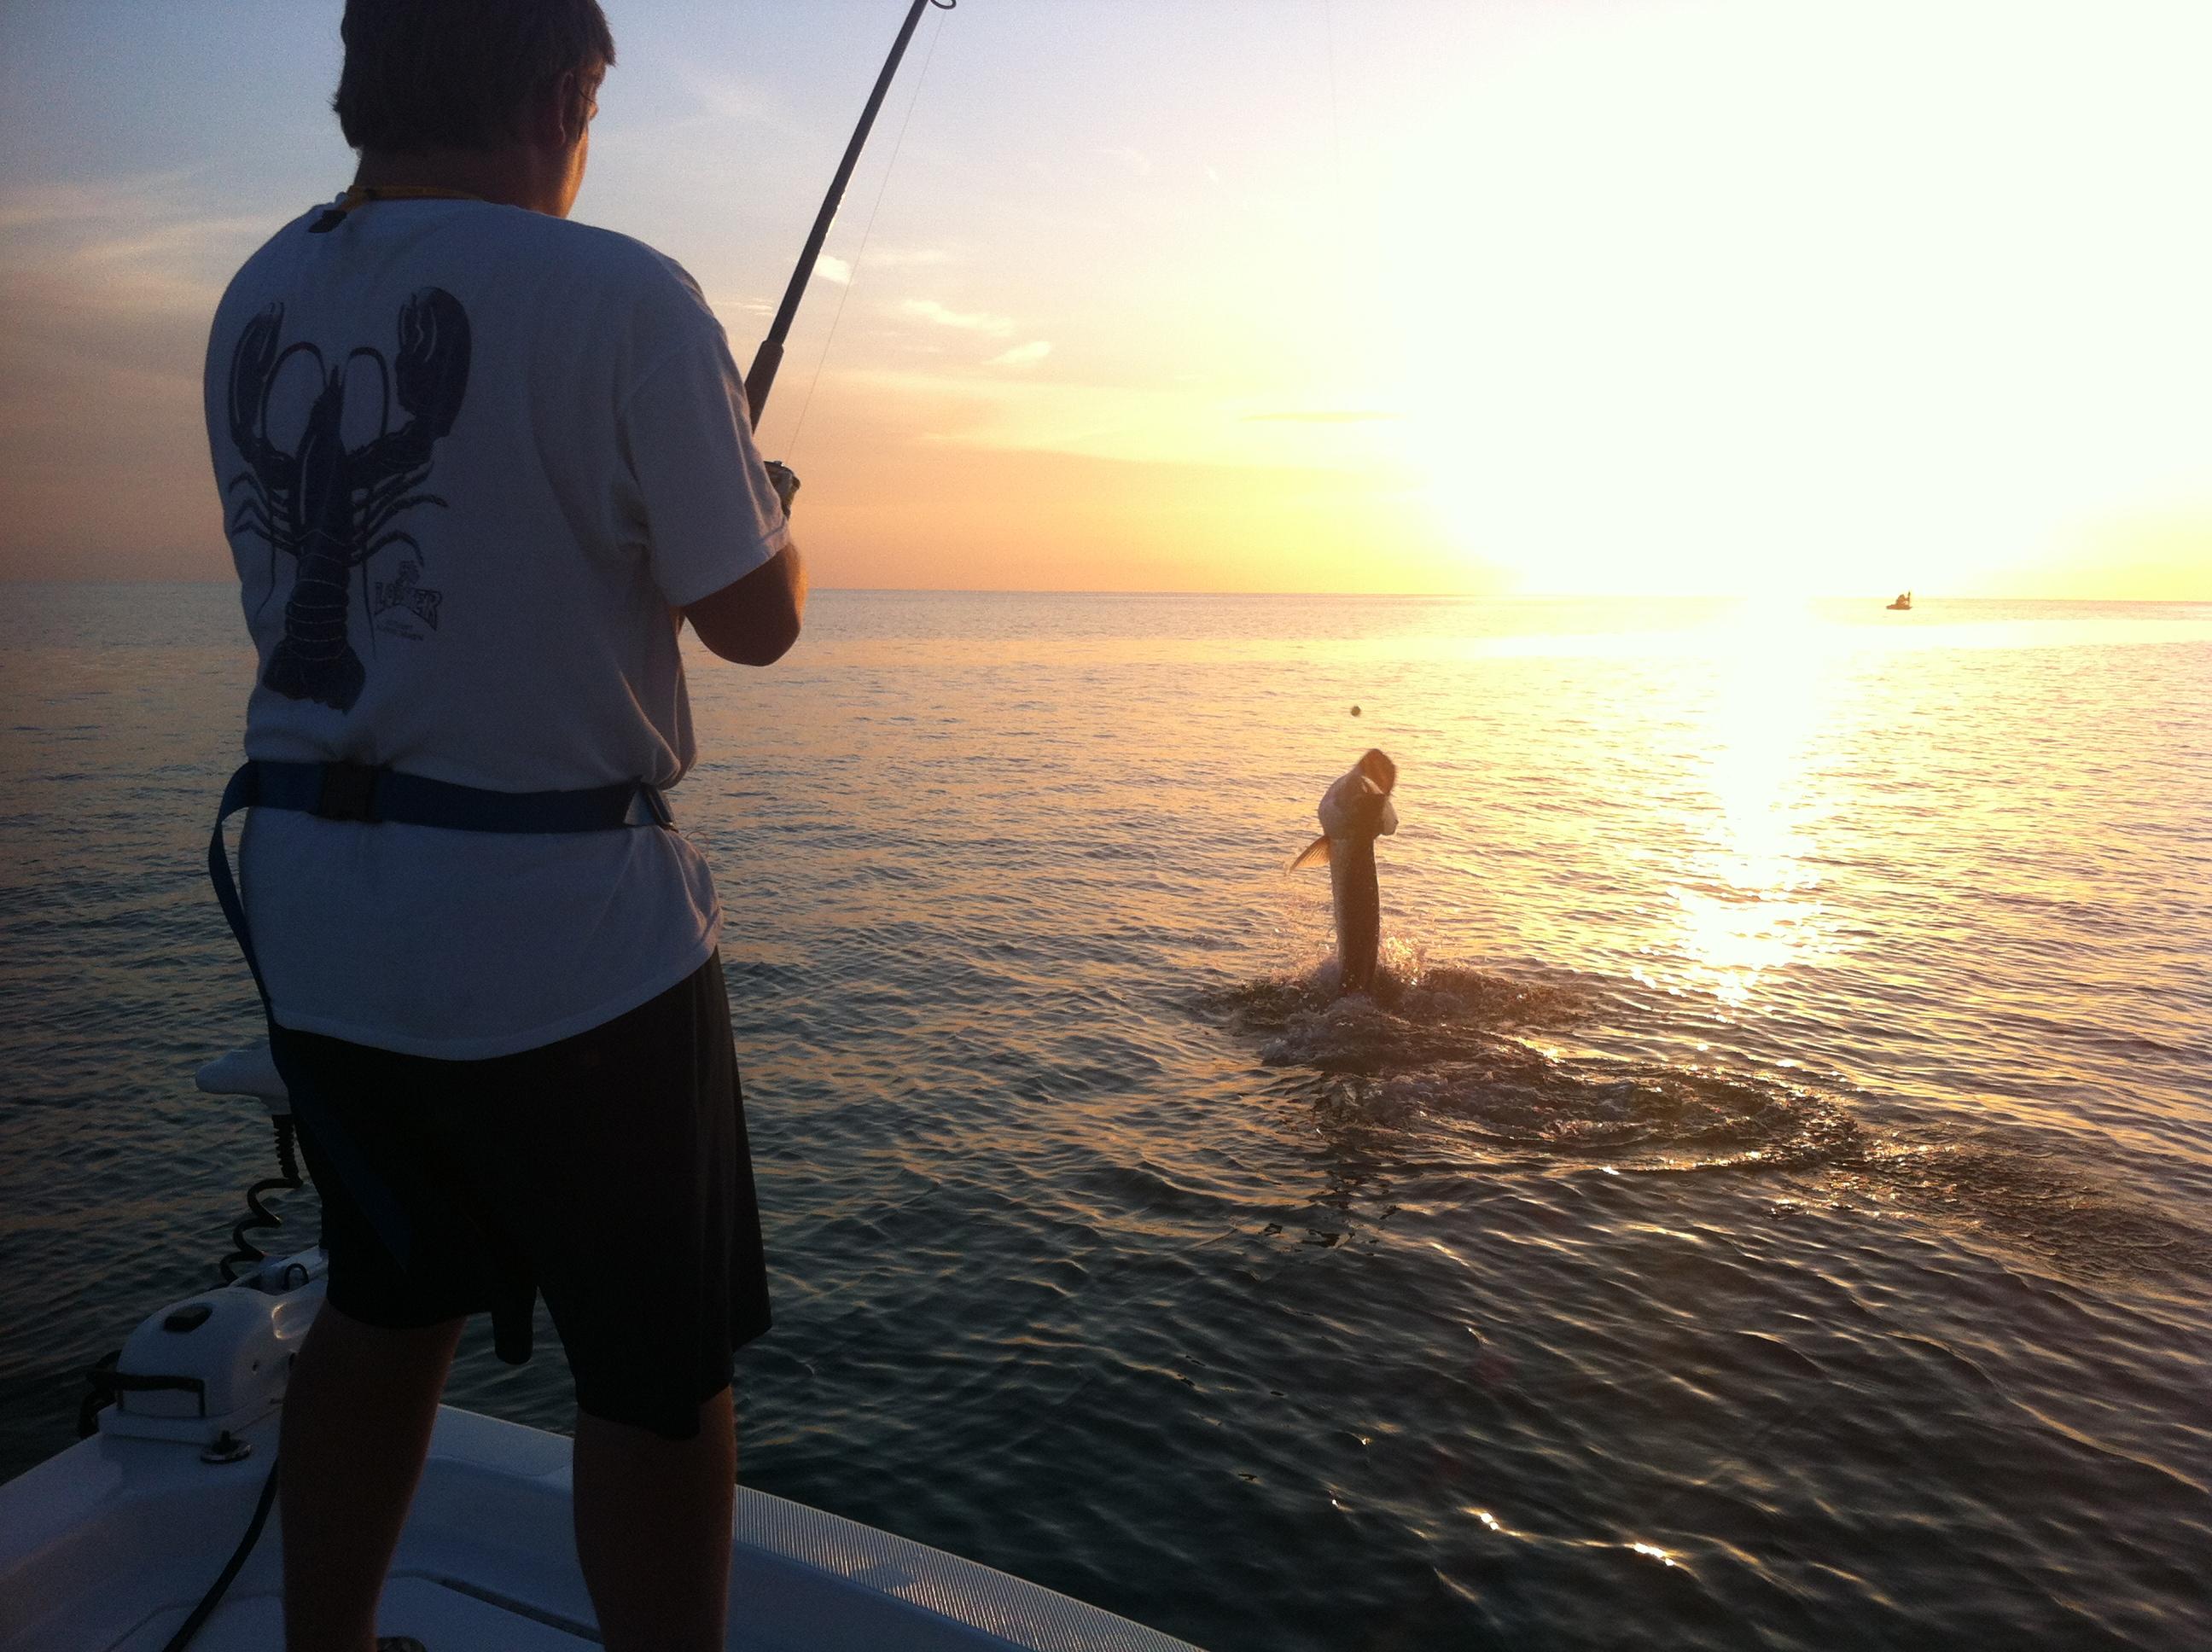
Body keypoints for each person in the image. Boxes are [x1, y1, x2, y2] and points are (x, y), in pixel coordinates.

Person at [200, 3, 801, 1647]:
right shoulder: (622, 293)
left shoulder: (258, 292)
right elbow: (752, 622)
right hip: (569, 953)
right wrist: (763, 505)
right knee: (657, 1375)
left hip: (322, 926)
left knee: (385, 1307)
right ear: (565, 93)